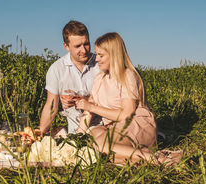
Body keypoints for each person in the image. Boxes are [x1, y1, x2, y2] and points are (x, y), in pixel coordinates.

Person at [76, 32, 181, 166]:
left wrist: (91, 107)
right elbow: (88, 112)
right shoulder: (99, 79)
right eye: (96, 54)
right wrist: (76, 139)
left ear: (114, 55)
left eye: (101, 55)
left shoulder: (127, 75)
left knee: (100, 145)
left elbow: (126, 114)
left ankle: (159, 160)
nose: (96, 59)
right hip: (114, 126)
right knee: (90, 141)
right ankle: (143, 153)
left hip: (135, 123)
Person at [39, 20, 100, 135]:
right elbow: (51, 107)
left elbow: (114, 101)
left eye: (86, 44)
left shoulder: (101, 64)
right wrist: (39, 133)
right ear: (66, 46)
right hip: (75, 133)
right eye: (77, 46)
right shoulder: (56, 69)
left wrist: (82, 100)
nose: (84, 50)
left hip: (104, 128)